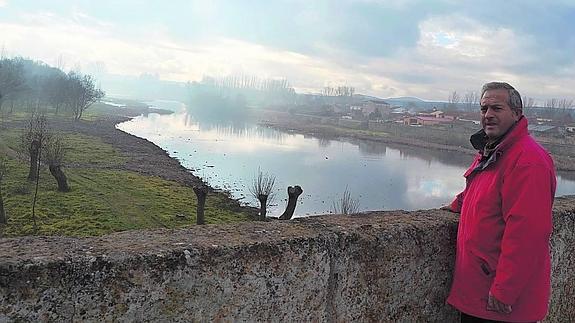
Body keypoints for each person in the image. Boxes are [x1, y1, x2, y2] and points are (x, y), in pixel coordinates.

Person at [443, 82, 556, 322]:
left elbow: (527, 233)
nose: (488, 115)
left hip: (501, 304)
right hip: (479, 291)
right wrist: (458, 204)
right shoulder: (496, 150)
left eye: (497, 108)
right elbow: (483, 189)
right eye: (484, 109)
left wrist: (505, 290)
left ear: (516, 113)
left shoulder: (527, 161)